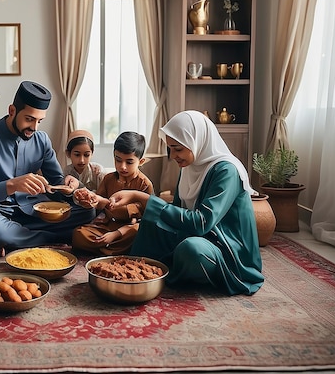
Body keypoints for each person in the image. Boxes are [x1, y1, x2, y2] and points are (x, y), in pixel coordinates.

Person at [108, 110, 264, 295]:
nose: (173, 156)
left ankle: (168, 271)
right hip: (198, 234)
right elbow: (176, 211)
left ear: (196, 141)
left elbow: (201, 222)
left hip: (226, 248)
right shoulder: (189, 165)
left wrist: (141, 197)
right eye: (170, 149)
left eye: (178, 149)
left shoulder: (226, 171)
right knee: (151, 222)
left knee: (191, 250)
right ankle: (140, 272)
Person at [0, 81, 96, 253]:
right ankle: (58, 237)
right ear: (12, 111)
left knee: (88, 211)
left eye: (40, 121)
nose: (34, 127)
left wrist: (71, 187)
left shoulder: (42, 140)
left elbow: (56, 182)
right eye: (29, 119)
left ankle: (16, 239)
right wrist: (11, 185)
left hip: (33, 211)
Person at [72, 131, 153, 255]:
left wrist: (116, 234)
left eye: (129, 162)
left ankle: (106, 248)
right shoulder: (109, 178)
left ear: (141, 161)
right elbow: (100, 204)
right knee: (78, 234)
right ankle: (109, 249)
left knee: (138, 235)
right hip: (108, 226)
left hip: (128, 230)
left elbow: (141, 218)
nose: (122, 167)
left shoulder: (144, 184)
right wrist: (92, 199)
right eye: (118, 160)